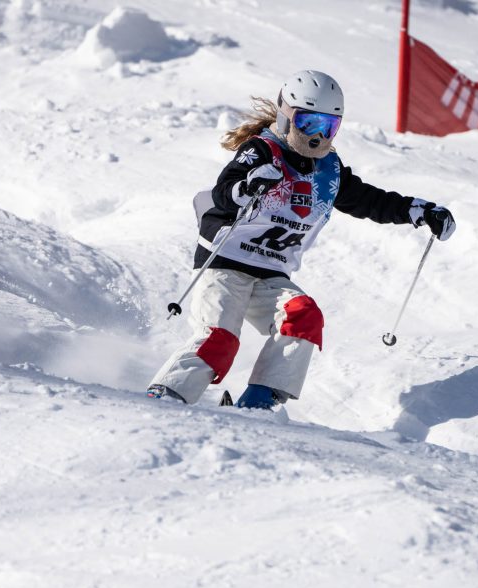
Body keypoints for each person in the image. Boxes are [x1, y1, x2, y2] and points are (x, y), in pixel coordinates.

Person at [146, 69, 456, 409]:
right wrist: (246, 188)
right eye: (309, 123)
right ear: (285, 116)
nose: (318, 136)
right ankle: (167, 396)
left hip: (271, 273)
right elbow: (224, 190)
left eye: (329, 127)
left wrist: (417, 211)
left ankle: (260, 402)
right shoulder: (262, 151)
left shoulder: (329, 169)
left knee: (304, 316)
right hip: (225, 263)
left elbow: (370, 200)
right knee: (221, 337)